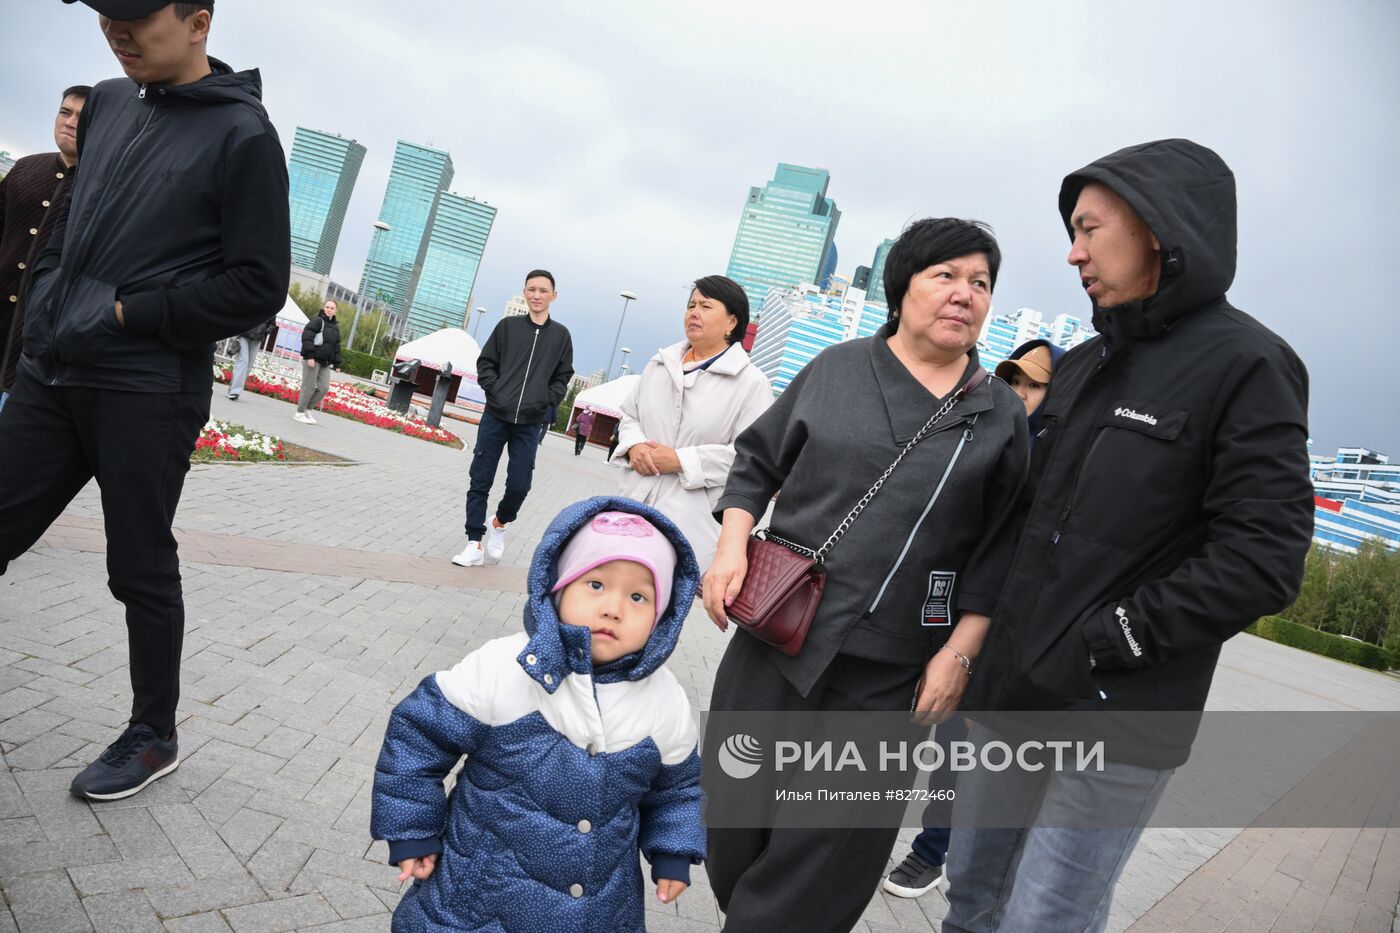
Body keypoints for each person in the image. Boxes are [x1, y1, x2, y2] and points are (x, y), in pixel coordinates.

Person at [942, 140, 1313, 933]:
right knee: (970, 898)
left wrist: (1114, 638)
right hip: (1014, 702)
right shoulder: (1080, 367)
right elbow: (1025, 526)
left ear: (1157, 229)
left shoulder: (1250, 365)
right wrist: (984, 661)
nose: (1072, 252)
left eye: (1089, 228)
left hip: (1119, 714)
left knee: (1045, 918)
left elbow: (1263, 559)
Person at [701, 219, 1028, 933]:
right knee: (733, 831)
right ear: (902, 284)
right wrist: (731, 547)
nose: (964, 293)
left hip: (891, 674)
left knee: (823, 857)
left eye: (980, 282)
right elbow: (757, 462)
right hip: (774, 640)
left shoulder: (998, 413)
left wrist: (960, 652)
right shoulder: (838, 367)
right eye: (946, 275)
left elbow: (1001, 550)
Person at [0, 0, 289, 801]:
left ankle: (152, 732)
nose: (116, 31)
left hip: (146, 390)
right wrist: (49, 316)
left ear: (198, 21)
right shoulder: (108, 99)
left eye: (136, 16)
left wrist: (131, 311)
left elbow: (258, 285)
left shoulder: (245, 137)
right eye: (104, 15)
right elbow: (67, 228)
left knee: (139, 566)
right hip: (53, 371)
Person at [373, 497, 706, 931]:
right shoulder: (503, 666)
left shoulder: (664, 700)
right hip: (475, 903)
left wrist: (673, 852)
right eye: (596, 585)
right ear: (557, 586)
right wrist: (413, 829)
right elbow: (418, 740)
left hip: (600, 912)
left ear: (663, 619)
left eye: (639, 596)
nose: (613, 608)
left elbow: (678, 790)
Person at [881, 336, 1063, 899]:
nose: (1022, 392)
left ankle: (951, 855)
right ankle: (934, 849)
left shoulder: (1060, 453)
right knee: (952, 733)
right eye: (1015, 380)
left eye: (1037, 384)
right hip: (958, 606)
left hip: (1020, 624)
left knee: (989, 748)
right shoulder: (986, 431)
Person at [615, 275, 772, 571]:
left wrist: (680, 460)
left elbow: (748, 458)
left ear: (731, 322)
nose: (694, 313)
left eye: (706, 306)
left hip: (689, 522)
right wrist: (634, 445)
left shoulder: (751, 383)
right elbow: (630, 415)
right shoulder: (660, 364)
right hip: (633, 503)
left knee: (663, 604)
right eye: (691, 305)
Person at [453, 270, 573, 567]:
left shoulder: (560, 335)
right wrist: (496, 391)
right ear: (524, 292)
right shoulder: (507, 327)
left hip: (530, 423)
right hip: (496, 415)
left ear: (553, 296)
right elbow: (486, 364)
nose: (536, 295)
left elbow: (563, 376)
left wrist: (546, 401)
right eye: (531, 289)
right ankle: (474, 542)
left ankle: (500, 522)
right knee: (480, 478)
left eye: (543, 290)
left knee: (520, 484)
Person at [0, 85, 88, 412]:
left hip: (39, 350)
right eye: (65, 112)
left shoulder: (101, 190)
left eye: (82, 117)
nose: (70, 122)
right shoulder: (25, 169)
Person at [294, 298, 340, 423]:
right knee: (308, 387)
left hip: (325, 362)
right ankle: (299, 412)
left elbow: (336, 346)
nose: (329, 310)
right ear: (323, 308)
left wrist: (337, 363)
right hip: (312, 359)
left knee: (324, 388)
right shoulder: (317, 321)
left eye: (332, 308)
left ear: (335, 310)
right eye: (327, 307)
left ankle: (308, 409)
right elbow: (307, 337)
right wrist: (310, 356)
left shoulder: (335, 327)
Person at [227, 312, 273, 400]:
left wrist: (265, 332)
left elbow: (272, 323)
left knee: (249, 365)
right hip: (244, 334)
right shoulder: (254, 298)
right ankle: (235, 392)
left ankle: (232, 389)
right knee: (243, 361)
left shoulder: (271, 303)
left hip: (258, 337)